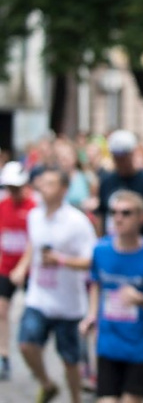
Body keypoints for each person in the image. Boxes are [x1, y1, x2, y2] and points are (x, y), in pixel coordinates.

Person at [80, 190, 143, 403]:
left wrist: (141, 299)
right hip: (108, 343)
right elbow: (97, 283)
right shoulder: (100, 250)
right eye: (114, 212)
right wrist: (92, 315)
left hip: (140, 347)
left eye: (126, 212)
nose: (118, 217)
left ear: (142, 218)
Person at [10, 167, 97, 403]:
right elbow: (33, 245)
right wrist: (21, 267)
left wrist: (61, 259)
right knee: (26, 345)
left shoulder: (77, 222)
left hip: (69, 303)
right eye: (42, 183)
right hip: (39, 297)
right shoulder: (34, 216)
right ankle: (47, 384)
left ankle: (76, 398)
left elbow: (92, 261)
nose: (43, 188)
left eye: (50, 183)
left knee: (70, 361)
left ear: (64, 190)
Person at [96, 130, 143, 246]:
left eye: (124, 157)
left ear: (132, 154)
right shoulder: (107, 181)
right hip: (113, 246)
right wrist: (100, 242)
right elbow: (101, 214)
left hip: (140, 245)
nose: (121, 162)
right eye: (117, 157)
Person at [0, 162, 36, 380]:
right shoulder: (3, 206)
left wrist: (23, 266)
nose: (13, 192)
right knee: (1, 311)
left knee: (31, 318)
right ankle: (3, 356)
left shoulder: (33, 208)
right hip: (6, 268)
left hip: (30, 270)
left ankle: (32, 357)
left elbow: (34, 241)